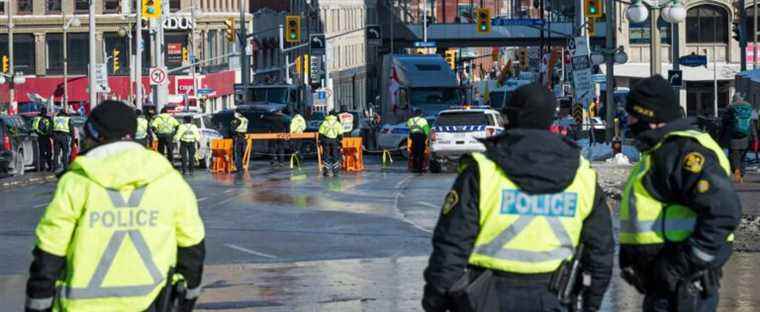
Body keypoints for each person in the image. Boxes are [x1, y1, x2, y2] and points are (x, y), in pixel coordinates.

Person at [422, 83, 613, 312]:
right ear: (550, 120)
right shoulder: (582, 175)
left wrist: (435, 300)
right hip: (554, 297)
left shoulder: (483, 171)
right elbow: (601, 251)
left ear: (509, 118)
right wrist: (590, 304)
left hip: (486, 297)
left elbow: (451, 244)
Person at [24, 100, 205, 312]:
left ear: (93, 135)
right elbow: (192, 247)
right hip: (151, 302)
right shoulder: (168, 180)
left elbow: (49, 252)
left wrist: (38, 304)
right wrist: (187, 298)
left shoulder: (75, 182)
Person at [619, 76, 741, 312]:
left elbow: (725, 212)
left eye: (633, 115)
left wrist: (678, 265)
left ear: (651, 118)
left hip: (684, 291)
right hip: (668, 288)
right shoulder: (662, 151)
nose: (629, 121)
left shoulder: (683, 153)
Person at [719, 94, 755, 182]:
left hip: (733, 138)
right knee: (742, 157)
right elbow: (751, 123)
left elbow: (724, 123)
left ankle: (738, 176)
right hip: (746, 137)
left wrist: (721, 136)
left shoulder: (730, 107)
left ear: (733, 99)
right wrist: (754, 136)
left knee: (734, 158)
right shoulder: (748, 106)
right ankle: (741, 176)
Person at [318, 111, 343, 176]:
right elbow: (340, 134)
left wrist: (319, 140)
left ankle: (326, 171)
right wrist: (340, 140)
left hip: (326, 140)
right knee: (335, 155)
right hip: (335, 141)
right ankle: (335, 171)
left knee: (326, 155)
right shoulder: (337, 123)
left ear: (329, 115)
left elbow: (320, 133)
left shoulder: (324, 122)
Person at [407, 109, 430, 173]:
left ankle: (414, 167)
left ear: (414, 114)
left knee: (414, 152)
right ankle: (420, 168)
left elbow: (409, 127)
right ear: (421, 114)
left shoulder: (410, 120)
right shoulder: (423, 120)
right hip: (421, 137)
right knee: (421, 153)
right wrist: (429, 138)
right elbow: (427, 130)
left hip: (412, 137)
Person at [32, 107, 54, 172]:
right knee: (48, 153)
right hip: (47, 137)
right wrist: (51, 135)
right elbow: (52, 127)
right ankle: (49, 166)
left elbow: (34, 128)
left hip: (41, 137)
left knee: (42, 153)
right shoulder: (48, 118)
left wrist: (39, 133)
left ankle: (43, 167)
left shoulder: (37, 118)